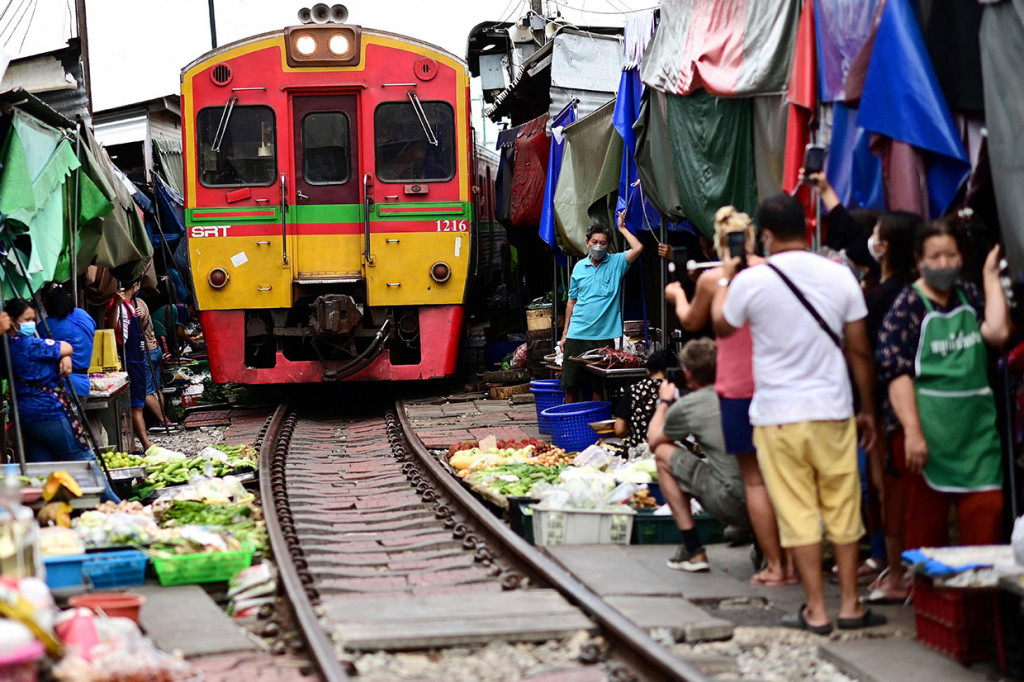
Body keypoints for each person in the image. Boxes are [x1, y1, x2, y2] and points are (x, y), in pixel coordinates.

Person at [712, 192, 884, 634]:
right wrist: (867, 410)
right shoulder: (839, 274)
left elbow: (723, 326)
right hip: (833, 410)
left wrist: (731, 276)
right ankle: (850, 605)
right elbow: (860, 351)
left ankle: (817, 611)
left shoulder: (751, 281)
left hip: (777, 416)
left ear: (765, 235)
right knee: (844, 509)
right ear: (808, 227)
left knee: (800, 512)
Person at [664, 207, 796, 586]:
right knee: (781, 476)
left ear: (719, 242)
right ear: (752, 238)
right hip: (775, 382)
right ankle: (787, 557)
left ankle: (775, 565)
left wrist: (676, 295)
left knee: (754, 479)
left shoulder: (716, 280)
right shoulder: (773, 272)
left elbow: (691, 322)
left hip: (737, 386)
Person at [876, 220, 1009, 553]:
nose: (944, 264)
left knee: (986, 514)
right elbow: (896, 373)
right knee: (927, 528)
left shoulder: (970, 296)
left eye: (951, 255)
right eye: (935, 257)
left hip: (975, 435)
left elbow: (996, 332)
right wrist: (913, 432)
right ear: (919, 261)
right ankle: (932, 603)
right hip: (926, 434)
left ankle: (977, 603)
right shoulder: (908, 306)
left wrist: (991, 277)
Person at [647, 338, 749, 572]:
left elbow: (654, 441)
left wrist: (664, 402)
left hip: (732, 500)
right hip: (768, 496)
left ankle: (693, 548)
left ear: (688, 374)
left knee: (663, 452)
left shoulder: (690, 404)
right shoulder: (742, 390)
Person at [5, 299, 119, 502]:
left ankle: (54, 513)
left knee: (42, 468)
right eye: (27, 320)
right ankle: (114, 504)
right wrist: (64, 356)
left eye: (33, 319)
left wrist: (63, 357)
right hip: (49, 411)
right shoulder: (28, 345)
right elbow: (65, 347)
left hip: (25, 414)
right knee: (85, 458)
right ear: (12, 322)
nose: (31, 323)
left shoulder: (7, 348)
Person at [559, 211, 644, 403]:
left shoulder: (616, 263)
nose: (598, 246)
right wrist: (565, 334)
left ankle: (597, 428)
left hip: (602, 338)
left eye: (603, 243)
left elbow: (638, 247)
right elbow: (571, 302)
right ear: (587, 242)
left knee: (598, 387)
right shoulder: (579, 267)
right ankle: (572, 423)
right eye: (594, 242)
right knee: (570, 385)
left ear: (608, 245)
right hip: (576, 334)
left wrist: (621, 228)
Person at [106, 279, 153, 453]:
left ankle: (137, 443)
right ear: (136, 285)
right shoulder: (118, 304)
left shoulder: (129, 305)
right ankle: (146, 444)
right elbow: (111, 329)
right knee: (135, 405)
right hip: (129, 359)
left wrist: (138, 317)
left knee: (137, 402)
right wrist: (116, 305)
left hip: (137, 358)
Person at [612, 349, 678, 452]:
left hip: (637, 452)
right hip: (670, 451)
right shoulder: (676, 390)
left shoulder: (634, 390)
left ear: (649, 370)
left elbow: (619, 430)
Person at [40, 281, 95, 402]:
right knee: (76, 421)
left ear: (47, 302)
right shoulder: (83, 315)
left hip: (60, 385)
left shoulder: (45, 325)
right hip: (83, 384)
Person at [133, 295, 176, 434]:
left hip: (146, 351)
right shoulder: (141, 300)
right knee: (157, 388)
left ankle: (164, 420)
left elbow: (138, 320)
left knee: (146, 391)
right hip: (155, 349)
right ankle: (161, 420)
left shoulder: (134, 304)